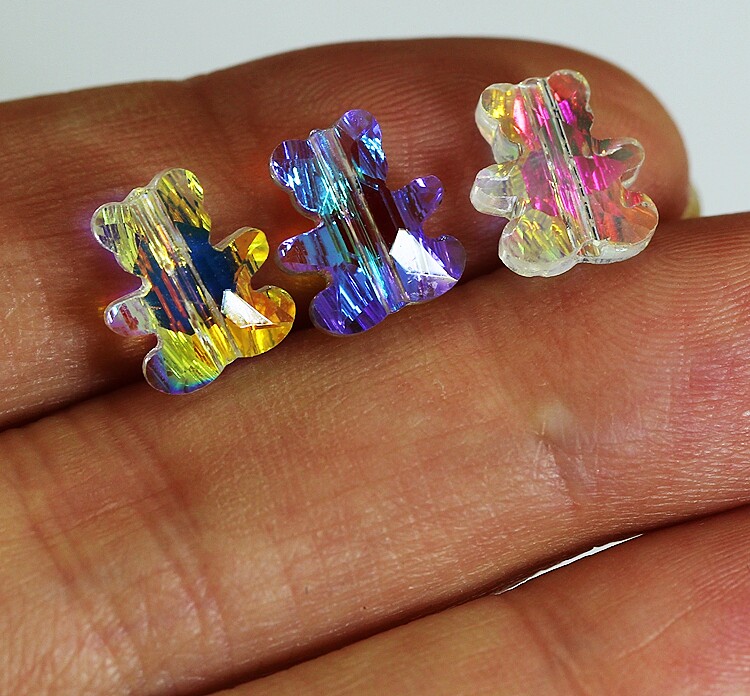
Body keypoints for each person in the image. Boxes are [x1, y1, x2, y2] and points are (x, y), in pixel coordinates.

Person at [0, 37, 744, 695]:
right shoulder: (255, 242)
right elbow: (265, 255)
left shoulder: (432, 194)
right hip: (269, 310)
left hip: (389, 271)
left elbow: (398, 211)